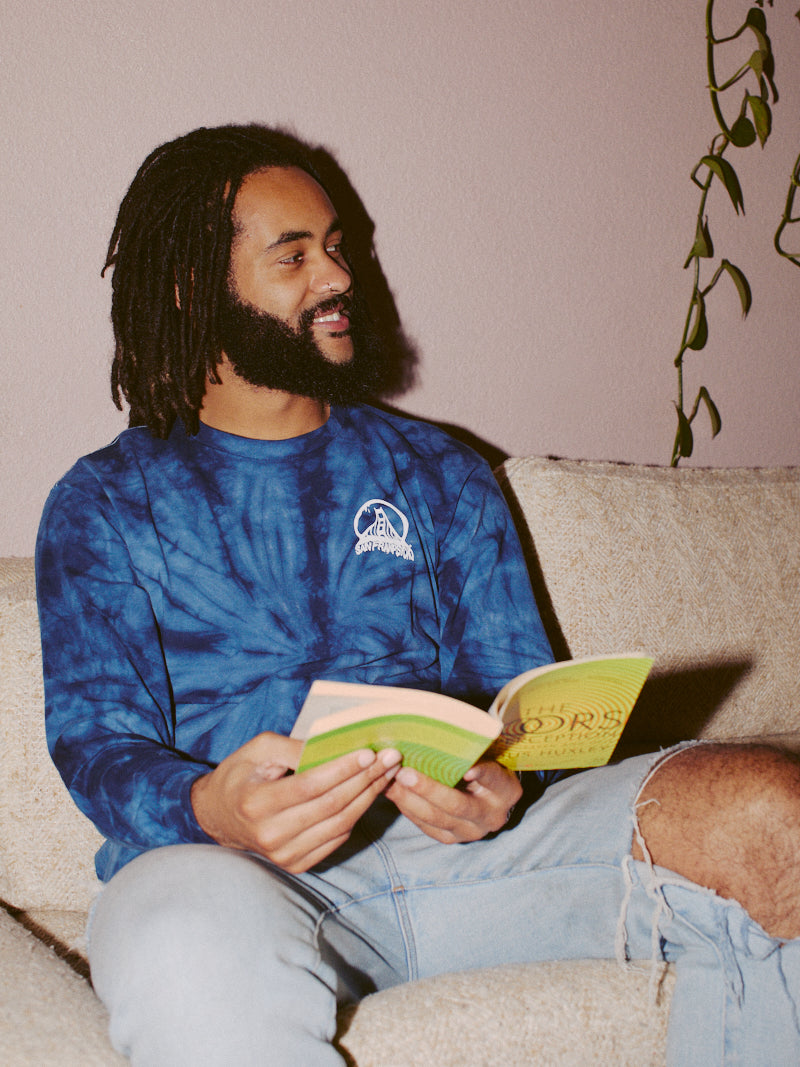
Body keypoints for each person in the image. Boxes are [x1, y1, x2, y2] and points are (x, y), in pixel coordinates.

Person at [36, 124, 800, 1066]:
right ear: (195, 289)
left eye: (337, 246)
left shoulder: (438, 470)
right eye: (295, 255)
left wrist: (505, 776)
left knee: (774, 814)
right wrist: (211, 807)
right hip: (236, 877)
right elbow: (96, 741)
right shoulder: (103, 503)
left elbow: (519, 693)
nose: (337, 276)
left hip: (480, 862)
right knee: (181, 943)